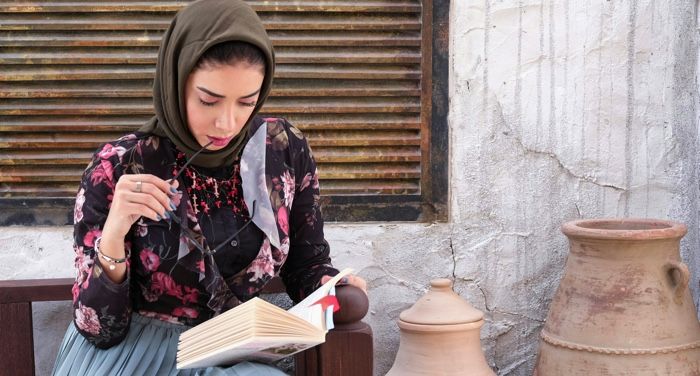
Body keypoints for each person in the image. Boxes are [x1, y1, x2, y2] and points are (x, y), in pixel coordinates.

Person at [52, 1, 366, 375]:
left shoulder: (283, 149)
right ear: (176, 80)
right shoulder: (120, 165)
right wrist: (115, 231)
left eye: (247, 102)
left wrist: (331, 286)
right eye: (208, 100)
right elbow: (98, 329)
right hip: (136, 357)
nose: (226, 122)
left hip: (231, 353)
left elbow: (307, 264)